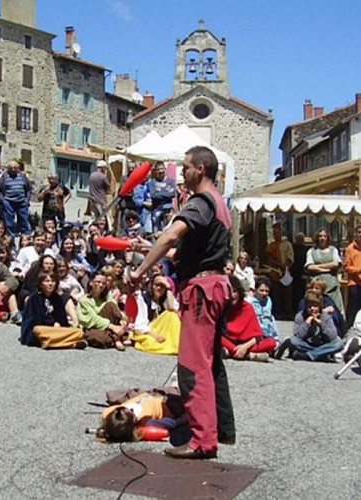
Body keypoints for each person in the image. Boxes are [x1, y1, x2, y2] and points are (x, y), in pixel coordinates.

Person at [129, 145, 235, 459]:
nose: (182, 172)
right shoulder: (219, 203)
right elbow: (184, 251)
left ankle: (202, 442)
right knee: (211, 365)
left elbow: (171, 237)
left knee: (193, 367)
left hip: (202, 290)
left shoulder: (201, 201)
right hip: (214, 285)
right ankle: (219, 430)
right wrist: (148, 245)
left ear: (200, 169)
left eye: (186, 166)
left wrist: (139, 271)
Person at [19, 271, 86, 349]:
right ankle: (70, 343)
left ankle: (52, 342)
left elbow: (62, 319)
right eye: (47, 281)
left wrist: (58, 323)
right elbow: (32, 321)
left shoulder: (57, 298)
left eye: (53, 281)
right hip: (41, 329)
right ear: (41, 284)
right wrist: (52, 324)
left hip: (56, 330)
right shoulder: (34, 299)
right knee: (39, 330)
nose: (50, 284)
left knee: (79, 332)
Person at [277, 291, 343, 361]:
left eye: (315, 306)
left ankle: (308, 355)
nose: (312, 309)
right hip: (306, 345)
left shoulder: (326, 317)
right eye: (309, 306)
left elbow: (332, 336)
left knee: (339, 343)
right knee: (292, 340)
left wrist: (321, 324)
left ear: (320, 306)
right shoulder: (300, 316)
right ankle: (320, 355)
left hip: (322, 345)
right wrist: (307, 323)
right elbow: (298, 336)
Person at [222, 276, 272, 362]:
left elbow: (257, 335)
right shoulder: (222, 307)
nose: (232, 296)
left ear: (239, 292)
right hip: (228, 341)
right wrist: (236, 349)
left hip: (245, 343)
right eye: (229, 292)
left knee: (271, 342)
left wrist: (244, 347)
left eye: (234, 291)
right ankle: (247, 355)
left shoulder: (247, 307)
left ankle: (232, 353)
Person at [130, 274, 181, 355]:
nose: (159, 288)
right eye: (157, 285)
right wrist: (156, 335)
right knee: (150, 343)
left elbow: (172, 307)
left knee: (171, 314)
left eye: (162, 286)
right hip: (149, 331)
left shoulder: (166, 297)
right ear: (151, 285)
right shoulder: (143, 298)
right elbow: (139, 325)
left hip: (163, 330)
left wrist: (168, 288)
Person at [77, 271, 127, 350]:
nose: (101, 285)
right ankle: (117, 337)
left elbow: (116, 310)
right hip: (93, 326)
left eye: (103, 283)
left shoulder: (107, 297)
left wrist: (122, 320)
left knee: (111, 305)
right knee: (100, 339)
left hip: (109, 325)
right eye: (98, 282)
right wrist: (113, 327)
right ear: (91, 283)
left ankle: (116, 337)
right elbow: (93, 318)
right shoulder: (84, 300)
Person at [305, 227, 344, 312]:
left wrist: (318, 266)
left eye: (324, 236)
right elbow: (310, 266)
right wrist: (325, 270)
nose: (322, 238)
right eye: (320, 236)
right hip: (316, 283)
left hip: (331, 284)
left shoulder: (333, 250)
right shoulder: (311, 251)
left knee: (335, 308)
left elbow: (336, 263)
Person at [0, 160, 32, 237]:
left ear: (18, 168)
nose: (13, 169)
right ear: (8, 168)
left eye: (15, 168)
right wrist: (3, 201)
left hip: (22, 201)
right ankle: (11, 235)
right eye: (11, 168)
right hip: (9, 201)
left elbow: (29, 189)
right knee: (9, 220)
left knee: (24, 218)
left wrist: (27, 200)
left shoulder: (22, 176)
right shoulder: (4, 176)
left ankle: (25, 234)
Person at [265, 222, 294, 319]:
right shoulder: (271, 246)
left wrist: (285, 267)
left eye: (278, 232)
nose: (276, 234)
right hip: (275, 273)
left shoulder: (287, 244)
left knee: (287, 294)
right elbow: (269, 259)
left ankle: (287, 313)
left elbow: (290, 259)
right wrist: (277, 264)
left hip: (285, 272)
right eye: (274, 233)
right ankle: (277, 312)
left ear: (281, 232)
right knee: (276, 294)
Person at [146, 162, 177, 234]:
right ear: (156, 171)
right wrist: (165, 193)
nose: (160, 171)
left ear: (165, 169)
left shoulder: (171, 181)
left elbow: (172, 194)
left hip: (168, 209)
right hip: (156, 209)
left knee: (168, 230)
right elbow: (153, 195)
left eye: (162, 169)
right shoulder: (152, 182)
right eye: (158, 169)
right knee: (156, 230)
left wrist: (159, 194)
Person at [250, 276, 280, 342]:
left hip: (269, 332)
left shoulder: (268, 301)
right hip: (255, 334)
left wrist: (276, 336)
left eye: (267, 291)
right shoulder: (250, 302)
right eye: (261, 290)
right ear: (255, 289)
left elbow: (271, 319)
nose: (264, 293)